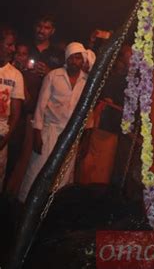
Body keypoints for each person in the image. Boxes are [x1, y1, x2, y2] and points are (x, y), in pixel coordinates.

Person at [18, 42, 93, 202]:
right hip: (49, 131)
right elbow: (40, 105)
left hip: (70, 136)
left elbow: (88, 112)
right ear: (67, 58)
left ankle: (52, 212)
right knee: (37, 170)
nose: (75, 61)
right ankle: (24, 206)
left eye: (78, 58)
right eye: (72, 58)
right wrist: (37, 133)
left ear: (82, 60)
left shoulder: (87, 83)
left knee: (63, 177)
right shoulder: (53, 76)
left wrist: (85, 139)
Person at [76, 44, 131, 185]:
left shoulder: (131, 77)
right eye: (129, 53)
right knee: (98, 165)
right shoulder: (111, 77)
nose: (133, 56)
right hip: (106, 125)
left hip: (120, 129)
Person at [0, 26, 25, 192]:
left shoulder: (15, 75)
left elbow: (15, 115)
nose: (13, 49)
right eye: (9, 45)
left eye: (13, 45)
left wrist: (4, 141)